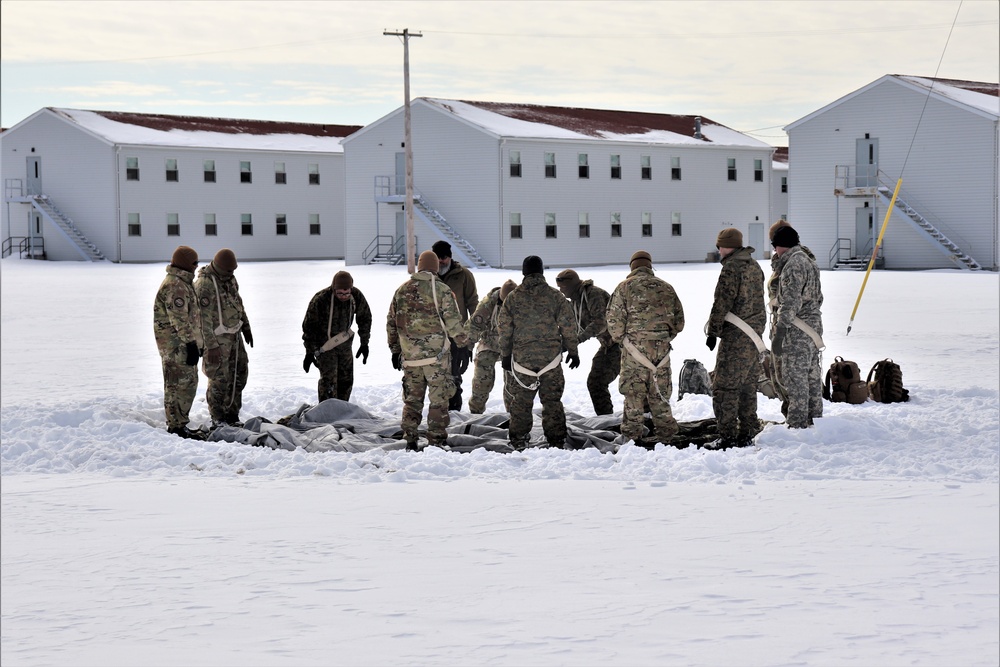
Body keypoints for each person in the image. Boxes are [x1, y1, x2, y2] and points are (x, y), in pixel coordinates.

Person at [387, 250, 470, 450]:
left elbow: (392, 323)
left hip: (410, 359)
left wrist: (395, 350)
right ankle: (436, 441)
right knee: (438, 401)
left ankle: (410, 438)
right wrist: (463, 345)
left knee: (412, 400)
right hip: (436, 359)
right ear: (435, 268)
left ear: (419, 266)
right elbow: (453, 322)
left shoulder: (401, 290)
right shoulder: (441, 290)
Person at [497, 256, 580, 450]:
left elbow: (504, 329)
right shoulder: (555, 296)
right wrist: (573, 351)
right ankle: (556, 441)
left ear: (524, 273)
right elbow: (569, 325)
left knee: (521, 402)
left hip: (522, 361)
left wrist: (506, 355)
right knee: (552, 401)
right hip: (550, 360)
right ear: (542, 272)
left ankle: (518, 439)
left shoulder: (513, 297)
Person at [607, 250, 685, 446]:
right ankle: (667, 435)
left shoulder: (624, 288)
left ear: (632, 266)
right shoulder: (666, 288)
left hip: (634, 350)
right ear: (650, 266)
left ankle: (632, 436)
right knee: (660, 394)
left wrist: (624, 341)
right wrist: (663, 338)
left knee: (633, 395)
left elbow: (614, 321)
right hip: (661, 352)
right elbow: (679, 322)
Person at [704, 229, 766, 449]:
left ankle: (728, 435)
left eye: (720, 246)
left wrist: (713, 331)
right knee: (747, 386)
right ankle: (749, 431)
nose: (718, 250)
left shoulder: (731, 269)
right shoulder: (755, 266)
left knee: (724, 387)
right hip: (754, 335)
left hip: (736, 337)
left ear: (727, 246)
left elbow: (721, 303)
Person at [769, 221, 825, 429]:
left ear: (782, 245)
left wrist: (780, 332)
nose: (775, 251)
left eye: (775, 246)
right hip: (812, 326)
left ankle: (798, 423)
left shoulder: (793, 264)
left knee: (795, 377)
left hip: (797, 329)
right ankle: (816, 419)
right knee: (811, 375)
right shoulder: (808, 260)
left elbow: (790, 301)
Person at [194, 248, 253, 427]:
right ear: (219, 267)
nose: (232, 274)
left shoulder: (230, 279)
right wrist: (210, 346)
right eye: (229, 271)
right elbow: (201, 320)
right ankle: (218, 417)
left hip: (234, 336)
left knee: (239, 374)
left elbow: (238, 303)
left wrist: (246, 326)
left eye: (233, 270)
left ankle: (232, 414)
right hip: (217, 339)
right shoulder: (205, 284)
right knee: (220, 379)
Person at [153, 245, 204, 439]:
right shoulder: (175, 285)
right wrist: (190, 343)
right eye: (194, 263)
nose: (196, 267)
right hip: (175, 345)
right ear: (185, 264)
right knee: (177, 384)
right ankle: (176, 426)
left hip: (182, 342)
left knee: (188, 382)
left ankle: (180, 422)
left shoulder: (183, 282)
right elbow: (179, 318)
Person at [301, 270, 372, 403]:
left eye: (347, 293)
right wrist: (309, 352)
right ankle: (327, 412)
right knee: (329, 382)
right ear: (334, 289)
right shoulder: (321, 299)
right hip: (325, 346)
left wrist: (364, 343)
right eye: (340, 293)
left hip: (345, 345)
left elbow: (365, 318)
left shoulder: (356, 296)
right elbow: (309, 327)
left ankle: (342, 409)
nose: (344, 296)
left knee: (346, 381)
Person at [555, 269, 620, 415]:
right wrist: (564, 347)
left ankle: (646, 419)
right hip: (609, 345)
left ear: (571, 285)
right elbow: (574, 328)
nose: (561, 291)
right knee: (595, 383)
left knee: (633, 386)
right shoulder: (576, 302)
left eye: (563, 288)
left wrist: (578, 340)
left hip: (624, 345)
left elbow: (600, 322)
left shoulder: (593, 294)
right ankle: (606, 419)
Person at [432, 240, 479, 411]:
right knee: (436, 376)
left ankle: (454, 411)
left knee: (454, 375)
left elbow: (473, 302)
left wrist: (472, 333)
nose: (440, 261)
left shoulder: (464, 275)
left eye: (443, 257)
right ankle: (438, 412)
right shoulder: (429, 276)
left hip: (457, 335)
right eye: (436, 258)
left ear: (450, 257)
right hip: (434, 335)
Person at [467, 279, 517, 414]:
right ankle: (475, 412)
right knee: (481, 381)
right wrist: (468, 346)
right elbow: (474, 325)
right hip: (490, 342)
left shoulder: (523, 302)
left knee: (514, 383)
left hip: (512, 345)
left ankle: (513, 416)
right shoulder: (489, 303)